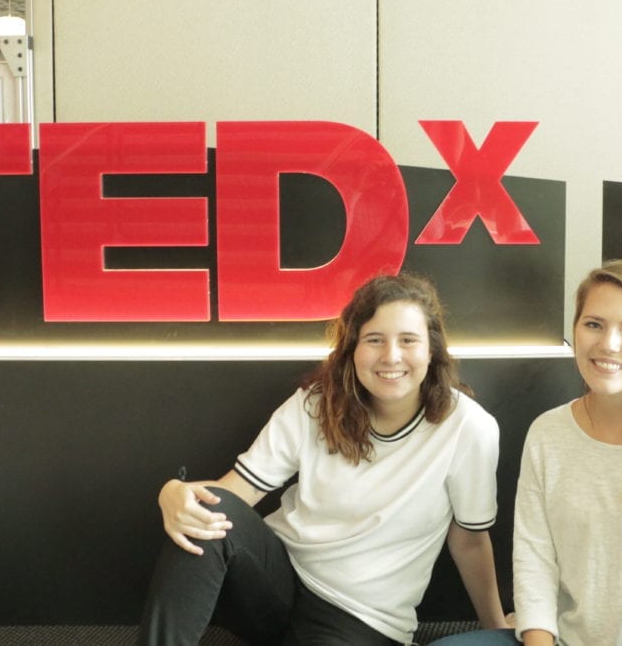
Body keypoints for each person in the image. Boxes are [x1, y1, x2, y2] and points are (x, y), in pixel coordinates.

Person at [138, 273, 510, 645]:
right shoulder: (316, 404)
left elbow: (469, 540)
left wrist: (497, 629)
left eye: (408, 341)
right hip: (277, 585)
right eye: (375, 340)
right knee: (203, 517)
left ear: (432, 350)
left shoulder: (468, 427)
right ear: (352, 349)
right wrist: (174, 492)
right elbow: (232, 496)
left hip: (361, 619)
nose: (391, 356)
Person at [435, 261, 622, 646]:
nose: (608, 344)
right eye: (594, 324)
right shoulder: (548, 432)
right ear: (575, 329)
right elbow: (534, 564)